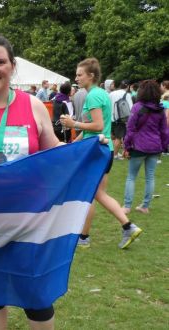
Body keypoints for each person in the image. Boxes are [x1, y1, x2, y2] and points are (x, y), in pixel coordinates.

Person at [0, 32, 62, 330]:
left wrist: (87, 150)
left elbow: (54, 150)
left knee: (36, 292)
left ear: (12, 66)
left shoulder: (32, 104)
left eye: (0, 62)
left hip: (29, 217)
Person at [60, 57, 142, 249]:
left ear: (91, 75)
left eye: (80, 74)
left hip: (97, 151)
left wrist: (73, 124)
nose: (76, 78)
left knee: (92, 194)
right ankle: (94, 234)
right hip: (104, 150)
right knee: (97, 194)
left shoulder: (93, 96)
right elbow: (94, 129)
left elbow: (97, 126)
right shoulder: (100, 94)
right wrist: (74, 142)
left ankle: (120, 227)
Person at [122, 80, 169, 214]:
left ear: (142, 91)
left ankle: (127, 206)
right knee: (150, 177)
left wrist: (126, 145)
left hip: (139, 147)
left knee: (131, 176)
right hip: (155, 147)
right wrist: (163, 147)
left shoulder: (137, 107)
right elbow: (165, 131)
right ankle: (145, 206)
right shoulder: (160, 109)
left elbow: (130, 128)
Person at [109, 80, 133, 159]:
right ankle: (115, 155)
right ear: (128, 86)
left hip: (111, 117)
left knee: (112, 136)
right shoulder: (127, 95)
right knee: (119, 137)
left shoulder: (112, 93)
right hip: (121, 119)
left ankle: (112, 152)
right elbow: (131, 108)